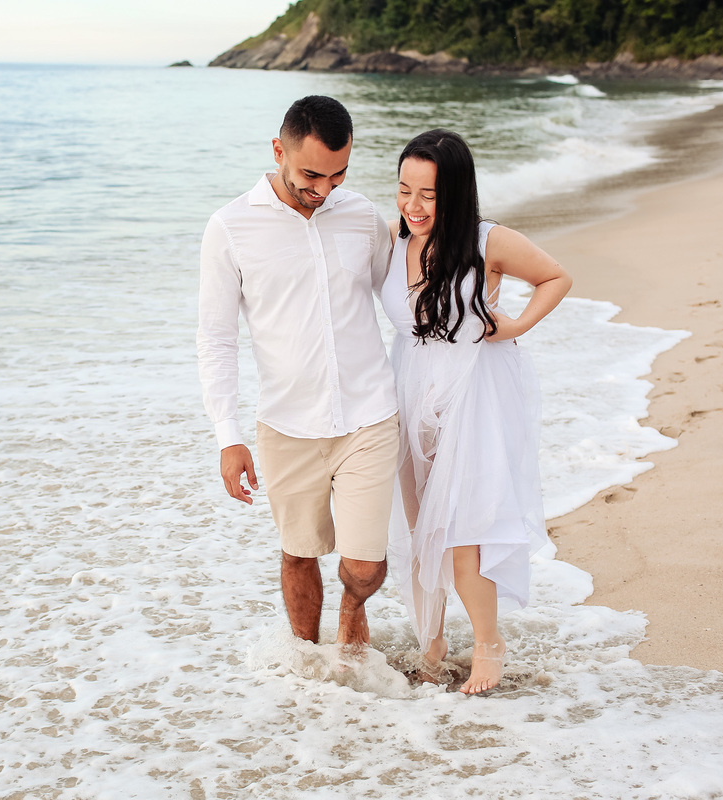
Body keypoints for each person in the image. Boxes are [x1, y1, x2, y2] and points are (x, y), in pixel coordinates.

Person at [197, 96, 400, 654]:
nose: (324, 189)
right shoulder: (231, 227)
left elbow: (401, 297)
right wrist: (227, 435)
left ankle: (353, 611)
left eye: (338, 174)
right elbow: (216, 338)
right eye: (312, 173)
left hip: (369, 416)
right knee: (299, 551)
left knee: (364, 565)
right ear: (278, 150)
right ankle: (309, 670)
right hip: (287, 425)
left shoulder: (361, 215)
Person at [381, 129, 572, 694]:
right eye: (403, 190)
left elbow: (556, 277)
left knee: (462, 532)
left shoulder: (487, 241)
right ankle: (433, 640)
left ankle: (490, 647)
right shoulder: (394, 240)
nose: (413, 206)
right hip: (409, 392)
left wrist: (512, 325)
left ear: (456, 194)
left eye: (428, 195)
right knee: (421, 532)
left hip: (470, 395)